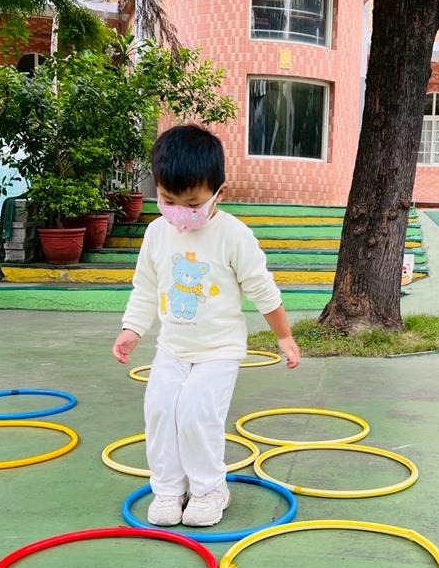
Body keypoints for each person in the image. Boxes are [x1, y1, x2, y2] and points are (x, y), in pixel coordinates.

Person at [112, 125, 301, 524]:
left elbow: (262, 288)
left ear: (219, 194)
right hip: (172, 349)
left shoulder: (233, 235)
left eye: (193, 203)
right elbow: (146, 287)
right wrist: (132, 330)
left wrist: (284, 335)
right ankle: (168, 490)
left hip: (219, 350)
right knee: (160, 411)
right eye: (168, 200)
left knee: (196, 414)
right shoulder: (156, 233)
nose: (180, 212)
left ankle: (209, 490)